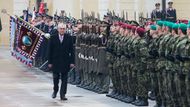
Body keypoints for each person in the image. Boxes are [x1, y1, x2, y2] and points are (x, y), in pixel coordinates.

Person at [48, 23, 75, 100]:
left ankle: (62, 94)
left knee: (65, 79)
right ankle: (55, 90)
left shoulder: (69, 38)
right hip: (55, 61)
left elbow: (72, 51)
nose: (62, 30)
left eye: (63, 29)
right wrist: (50, 62)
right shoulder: (53, 38)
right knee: (55, 78)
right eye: (61, 28)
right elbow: (49, 51)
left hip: (65, 61)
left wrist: (72, 62)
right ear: (58, 29)